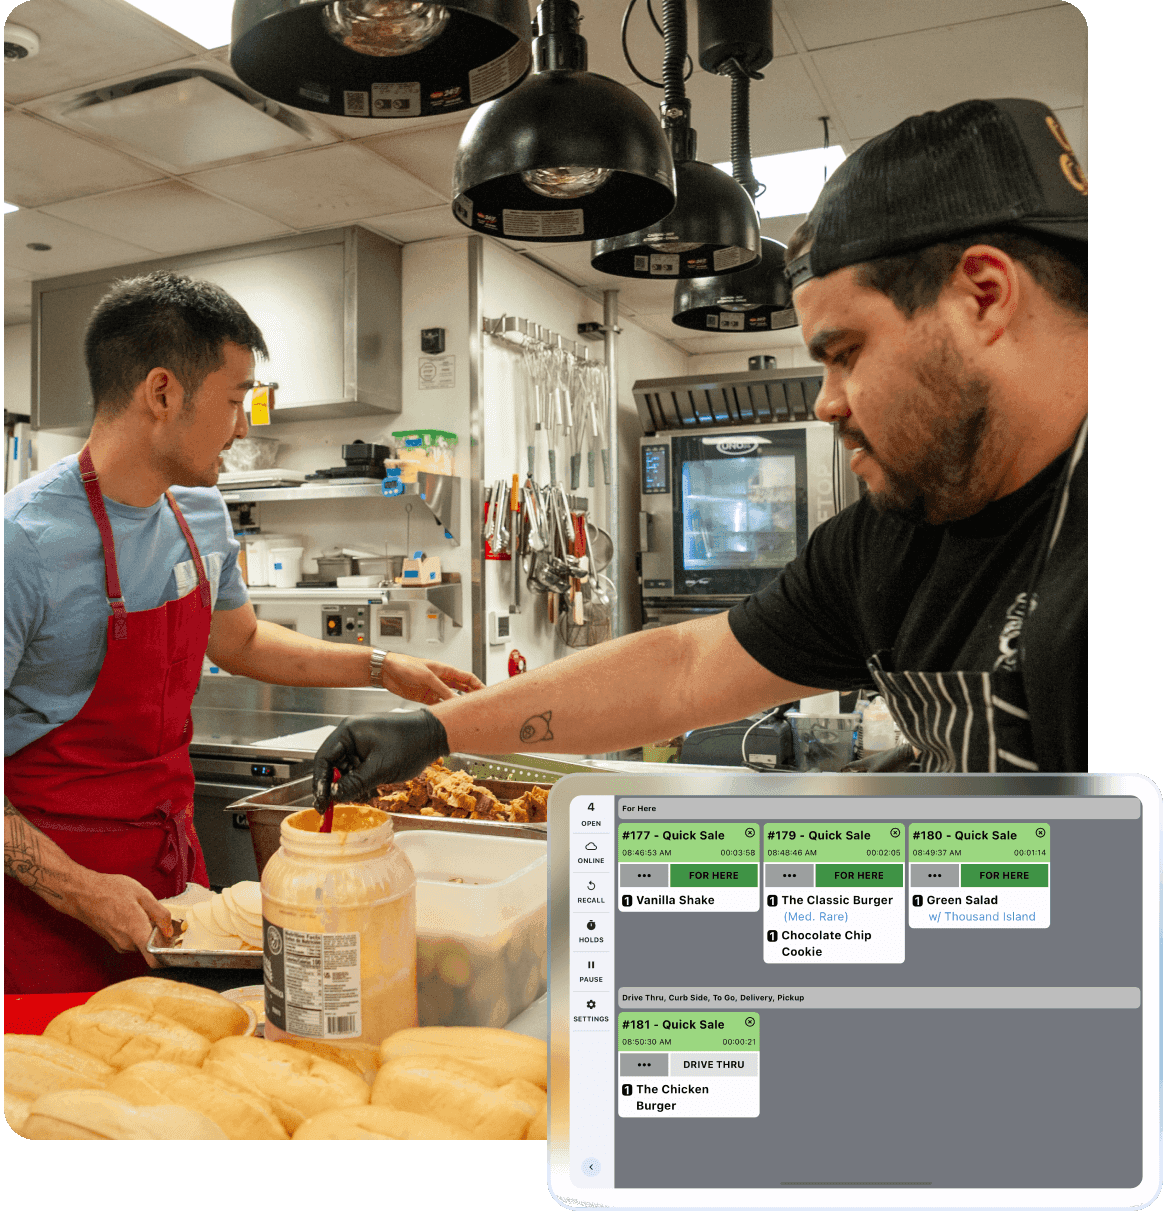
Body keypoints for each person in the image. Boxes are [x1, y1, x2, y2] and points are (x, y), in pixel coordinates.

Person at [311, 96, 1087, 807]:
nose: (826, 402)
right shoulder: (894, 540)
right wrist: (443, 733)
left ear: (982, 295)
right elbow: (684, 668)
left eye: (845, 352)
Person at [4, 270, 482, 993]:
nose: (244, 426)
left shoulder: (199, 514)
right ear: (162, 393)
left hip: (174, 888)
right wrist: (78, 890)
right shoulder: (24, 542)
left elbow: (241, 643)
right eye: (235, 400)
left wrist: (384, 667)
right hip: (47, 915)